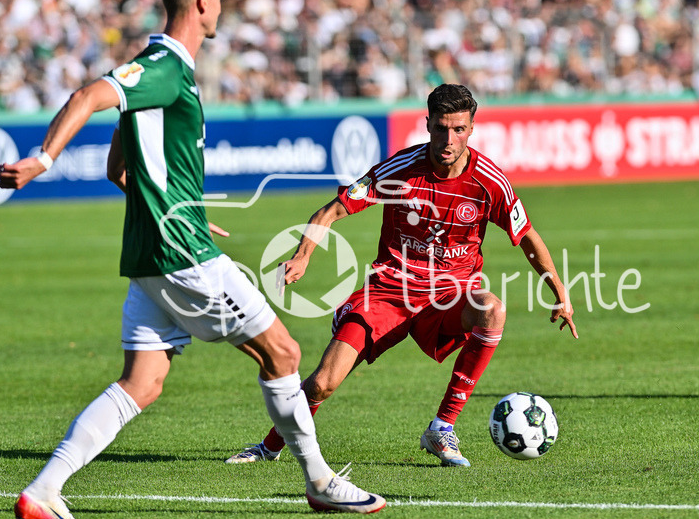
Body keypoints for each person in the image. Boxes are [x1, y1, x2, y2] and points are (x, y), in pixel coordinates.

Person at [0, 0, 385, 519]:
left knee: (143, 382)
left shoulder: (162, 74)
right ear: (203, 3)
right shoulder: (165, 67)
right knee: (284, 352)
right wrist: (42, 159)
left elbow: (118, 171)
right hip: (181, 256)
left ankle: (43, 489)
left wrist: (181, 209)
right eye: (219, 0)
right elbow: (86, 96)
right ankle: (320, 481)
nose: (221, 9)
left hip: (153, 257)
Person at [227, 84, 577, 468]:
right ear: (427, 124)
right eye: (441, 128)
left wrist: (558, 289)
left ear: (471, 129)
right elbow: (332, 211)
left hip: (450, 296)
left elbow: (525, 234)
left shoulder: (489, 182)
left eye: (458, 129)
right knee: (323, 382)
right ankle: (270, 446)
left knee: (492, 309)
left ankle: (442, 427)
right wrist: (302, 255)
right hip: (389, 293)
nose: (449, 139)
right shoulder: (400, 171)